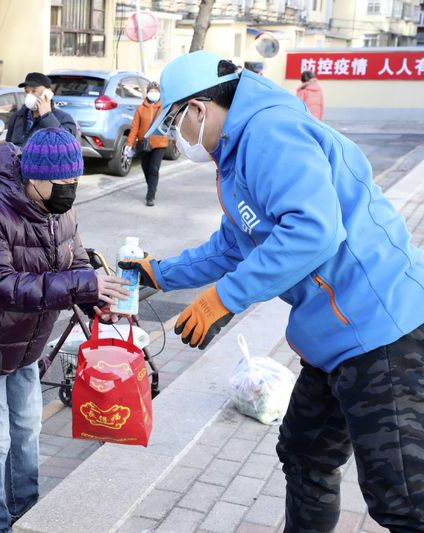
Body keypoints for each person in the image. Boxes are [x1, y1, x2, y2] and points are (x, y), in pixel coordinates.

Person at [121, 50, 424, 531]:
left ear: (199, 109)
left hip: (380, 328)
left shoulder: (269, 131)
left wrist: (224, 298)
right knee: (304, 454)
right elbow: (234, 244)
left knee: (403, 498)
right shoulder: (238, 152)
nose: (177, 136)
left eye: (177, 119)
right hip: (333, 337)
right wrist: (159, 273)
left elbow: (314, 231)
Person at [0, 128, 129, 533]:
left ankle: (27, 515)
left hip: (27, 342)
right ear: (35, 177)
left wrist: (99, 304)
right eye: (64, 183)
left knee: (26, 432)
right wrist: (83, 286)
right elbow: (0, 284)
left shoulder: (62, 211)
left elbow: (77, 265)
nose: (71, 191)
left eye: (76, 182)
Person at [124, 81, 169, 206]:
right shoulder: (140, 108)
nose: (153, 93)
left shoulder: (164, 108)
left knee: (154, 169)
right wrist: (129, 144)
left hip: (160, 144)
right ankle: (152, 187)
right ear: (147, 93)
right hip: (144, 144)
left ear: (160, 93)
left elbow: (170, 125)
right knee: (146, 169)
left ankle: (150, 196)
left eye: (155, 91)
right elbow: (134, 128)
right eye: (151, 91)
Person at [5, 72, 78, 146]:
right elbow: (8, 147)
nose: (29, 95)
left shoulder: (64, 118)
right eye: (27, 91)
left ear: (47, 93)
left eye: (34, 91)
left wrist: (47, 116)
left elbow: (67, 145)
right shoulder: (17, 117)